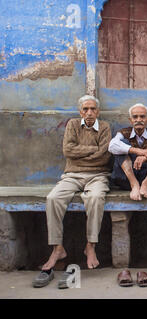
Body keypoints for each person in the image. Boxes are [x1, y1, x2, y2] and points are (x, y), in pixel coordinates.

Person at [33, 95, 112, 288]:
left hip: (98, 175)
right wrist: (91, 150)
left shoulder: (105, 127)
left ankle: (90, 245)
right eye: (85, 109)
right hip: (72, 175)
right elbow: (68, 151)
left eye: (93, 109)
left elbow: (104, 156)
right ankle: (57, 248)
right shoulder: (73, 125)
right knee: (53, 198)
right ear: (80, 111)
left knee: (95, 198)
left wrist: (82, 154)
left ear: (98, 111)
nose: (89, 113)